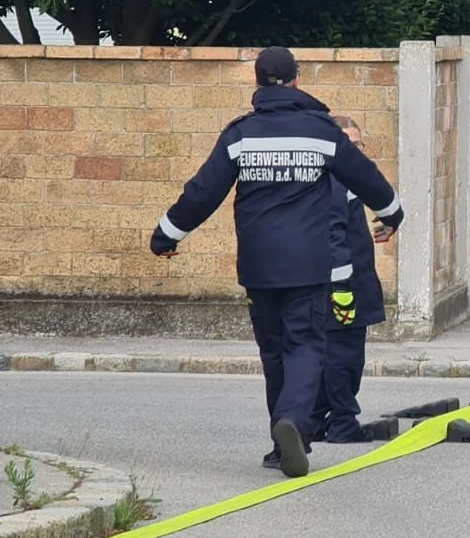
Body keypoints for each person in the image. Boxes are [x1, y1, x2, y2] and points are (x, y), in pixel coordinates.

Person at [149, 47, 404, 478]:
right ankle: (294, 424)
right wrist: (392, 214)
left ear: (256, 82)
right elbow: (366, 178)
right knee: (305, 344)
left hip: (259, 266)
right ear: (297, 81)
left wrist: (166, 236)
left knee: (274, 352)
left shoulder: (241, 135)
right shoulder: (320, 133)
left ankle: (280, 444)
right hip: (309, 264)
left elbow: (203, 190)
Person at [308, 116, 394, 445]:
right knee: (343, 355)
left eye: (358, 144)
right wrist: (342, 289)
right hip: (342, 286)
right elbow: (334, 239)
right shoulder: (334, 182)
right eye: (347, 144)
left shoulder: (349, 181)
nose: (354, 150)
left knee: (337, 353)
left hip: (355, 281)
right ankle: (342, 422)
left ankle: (316, 420)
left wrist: (388, 220)